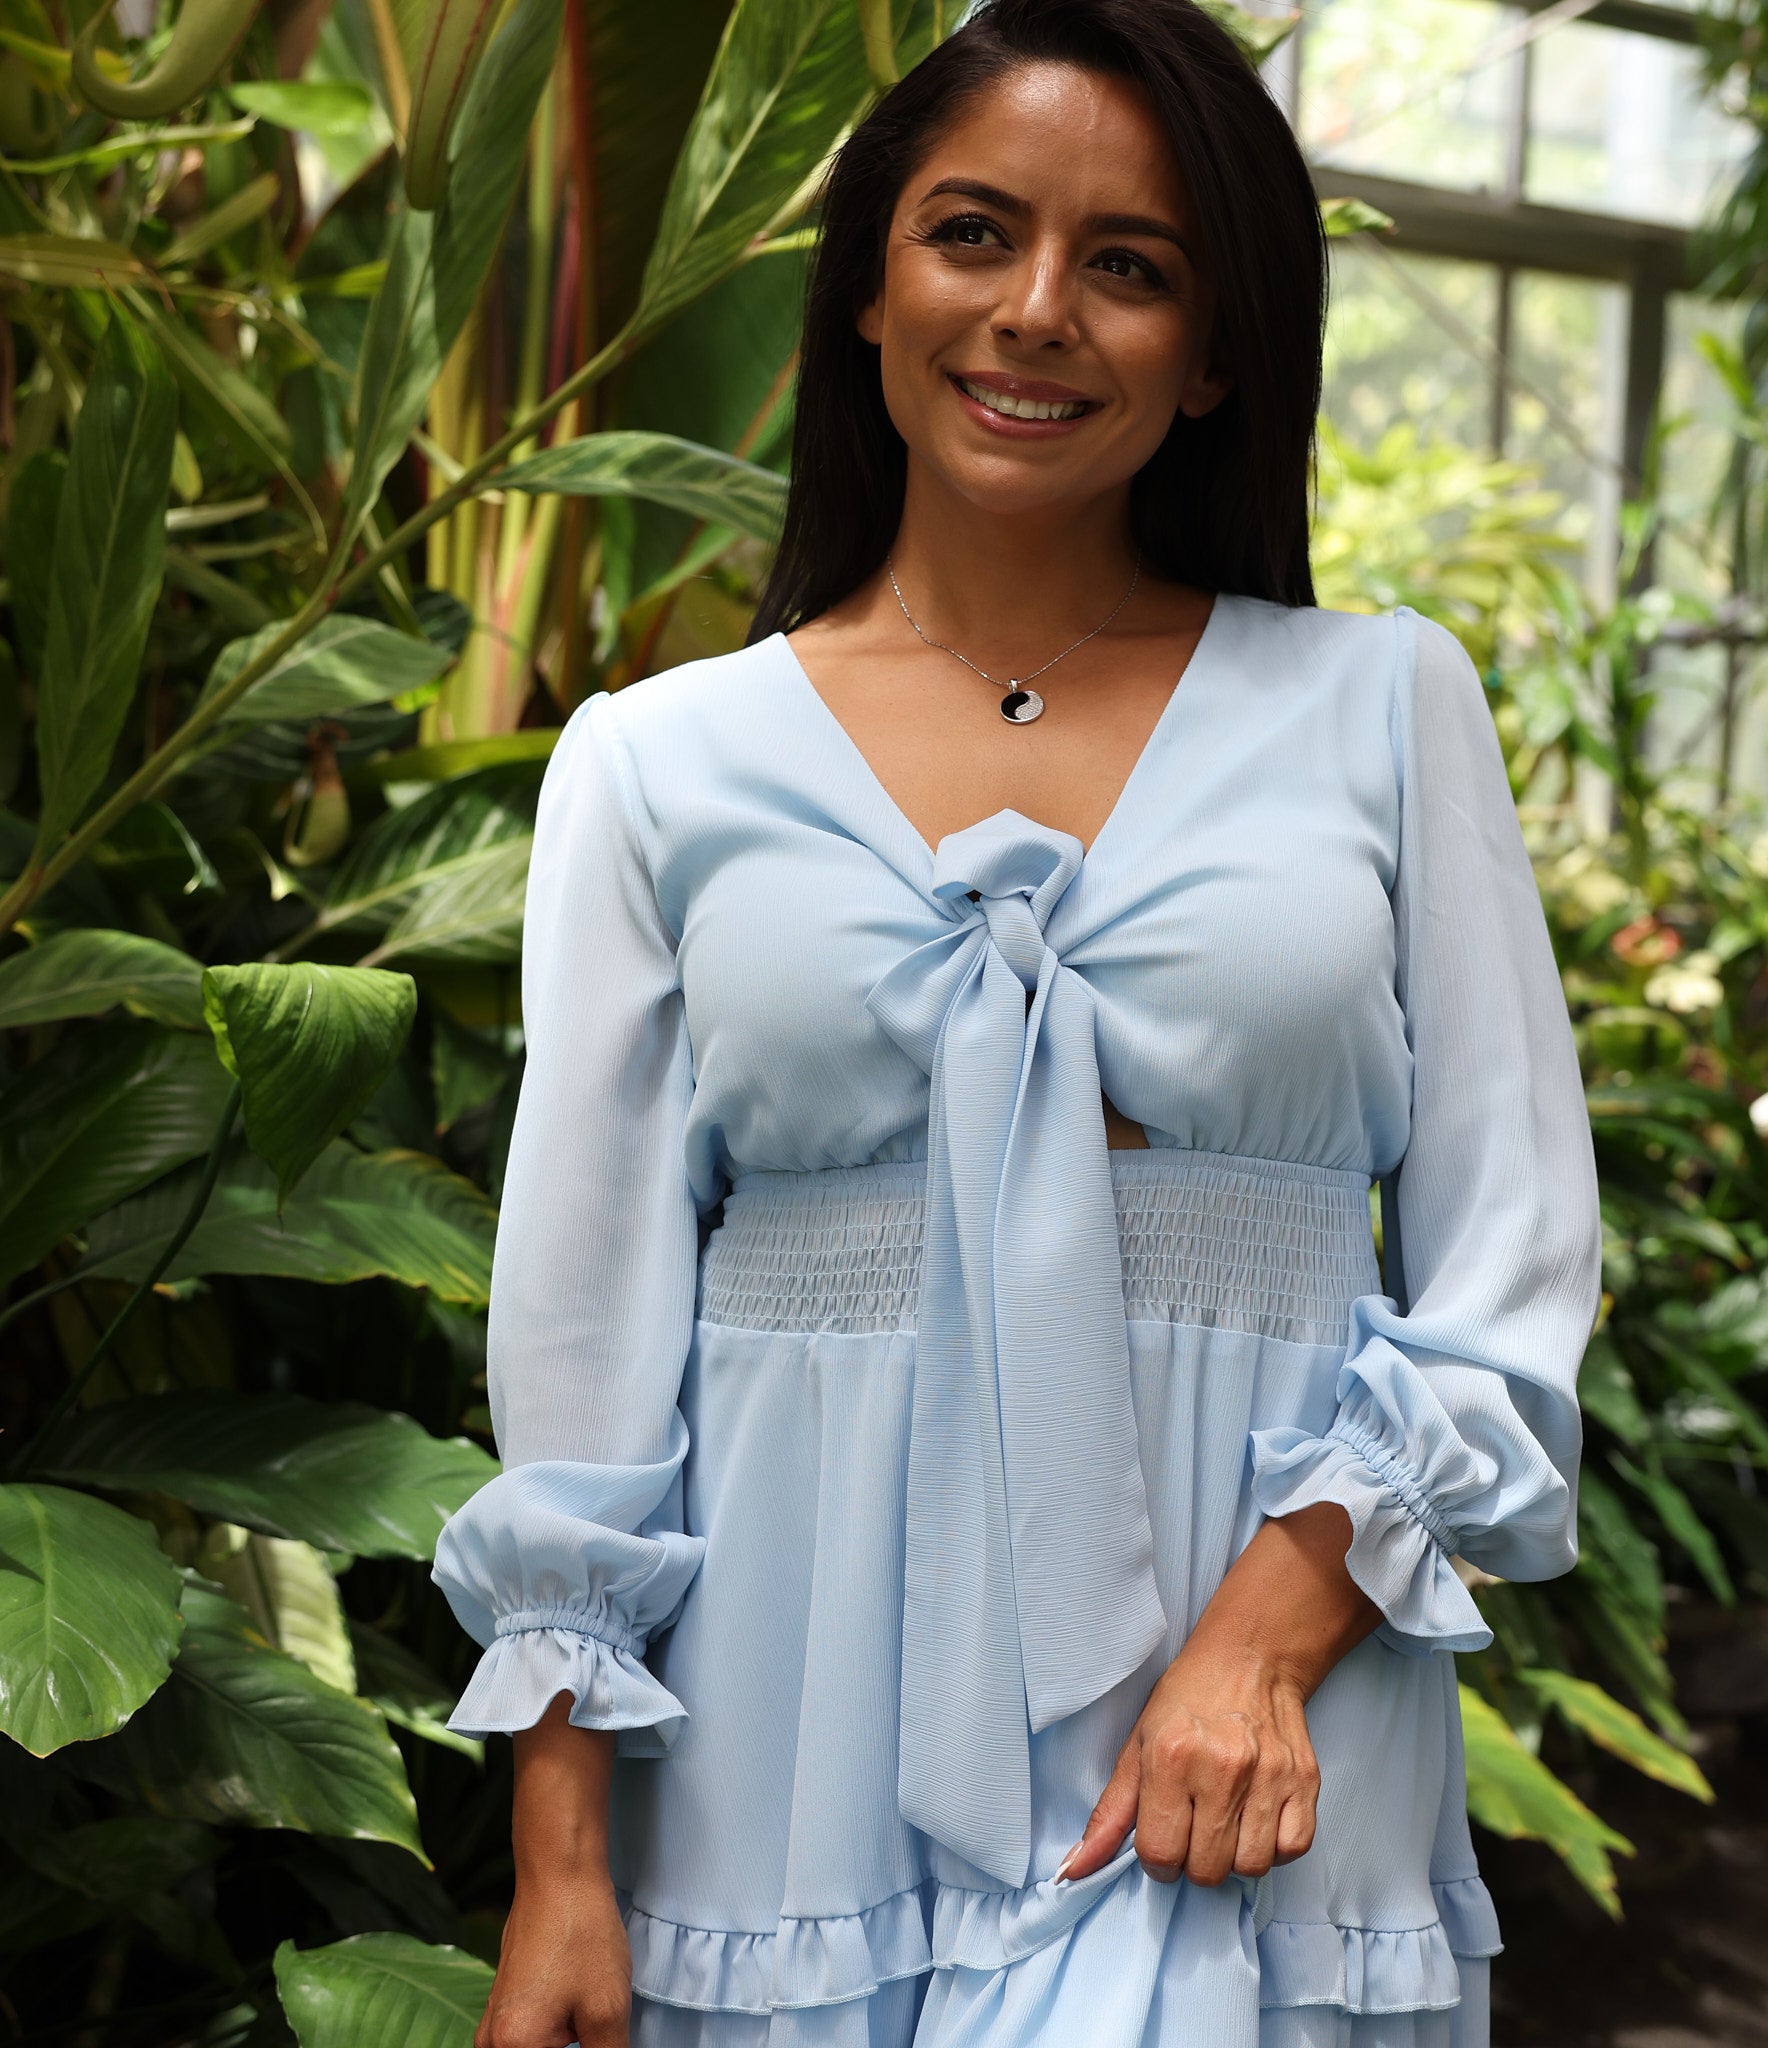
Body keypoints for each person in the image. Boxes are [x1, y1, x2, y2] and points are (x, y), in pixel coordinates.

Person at [432, 2, 1600, 2043]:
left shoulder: (1385, 705)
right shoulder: (650, 763)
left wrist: (1270, 1627)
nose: (1038, 311)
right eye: (974, 235)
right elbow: (585, 1352)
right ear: (872, 288)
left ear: (1215, 350)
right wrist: (558, 1870)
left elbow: (1512, 1267)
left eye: (1130, 266)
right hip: (785, 1754)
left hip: (1258, 1741)